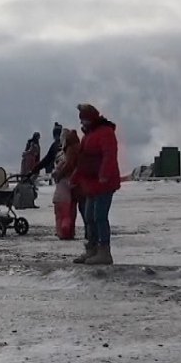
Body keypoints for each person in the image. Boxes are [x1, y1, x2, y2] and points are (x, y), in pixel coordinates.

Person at [72, 104, 120, 265]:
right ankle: (92, 249)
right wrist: (76, 177)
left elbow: (109, 155)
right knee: (89, 217)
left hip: (104, 183)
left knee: (99, 216)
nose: (82, 123)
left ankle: (104, 251)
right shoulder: (88, 135)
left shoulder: (105, 133)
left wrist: (104, 174)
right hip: (91, 184)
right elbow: (83, 160)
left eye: (84, 119)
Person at [51, 130, 81, 240]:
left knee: (60, 217)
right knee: (69, 215)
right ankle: (69, 231)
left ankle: (62, 232)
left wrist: (57, 175)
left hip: (59, 197)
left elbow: (64, 167)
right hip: (69, 195)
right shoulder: (77, 148)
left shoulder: (69, 152)